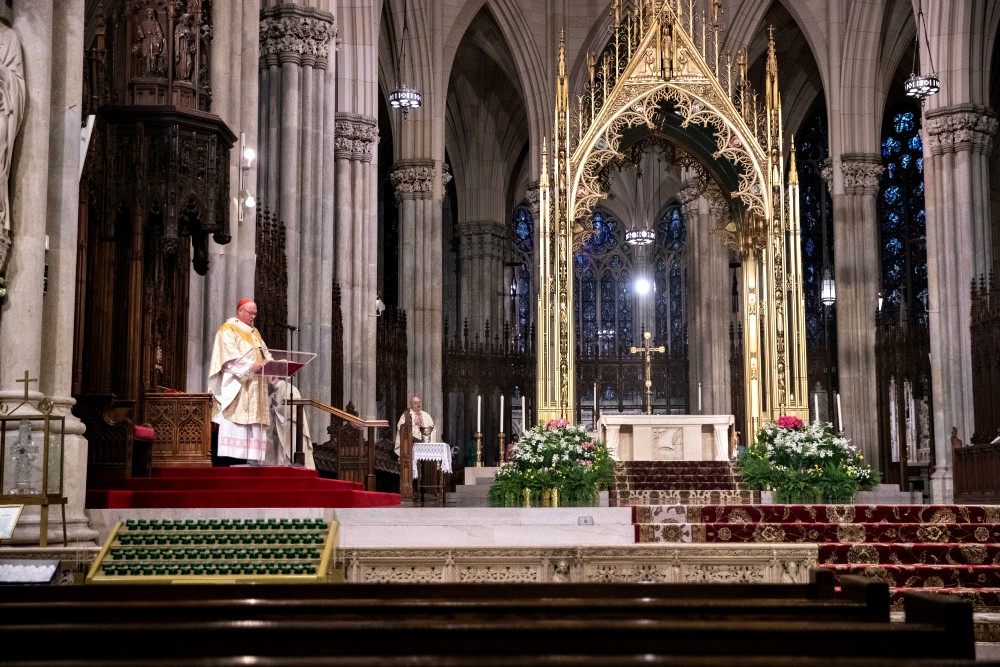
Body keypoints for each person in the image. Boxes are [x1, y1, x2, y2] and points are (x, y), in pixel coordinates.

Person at [207, 298, 271, 464]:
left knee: (254, 425)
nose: (253, 317)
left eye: (255, 314)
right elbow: (229, 358)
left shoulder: (255, 333)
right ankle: (233, 459)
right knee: (236, 422)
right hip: (238, 385)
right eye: (251, 313)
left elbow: (265, 354)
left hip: (256, 386)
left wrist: (274, 364)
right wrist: (252, 366)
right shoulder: (228, 329)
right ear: (240, 311)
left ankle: (252, 461)